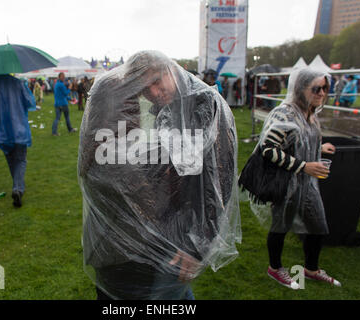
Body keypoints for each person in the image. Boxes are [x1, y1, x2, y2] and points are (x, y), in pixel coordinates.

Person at [79, 50, 241, 300]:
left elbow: (218, 180)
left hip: (163, 245)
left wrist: (198, 243)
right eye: (143, 91)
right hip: (147, 251)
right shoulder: (162, 117)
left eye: (156, 81)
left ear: (170, 68)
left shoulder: (205, 104)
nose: (153, 93)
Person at [246, 67, 341, 289]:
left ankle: (311, 269)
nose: (321, 93)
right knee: (281, 225)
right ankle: (275, 268)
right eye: (316, 88)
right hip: (286, 183)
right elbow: (268, 149)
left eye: (325, 88)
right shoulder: (285, 113)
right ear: (300, 89)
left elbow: (301, 140)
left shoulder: (310, 112)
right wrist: (304, 165)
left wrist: (320, 147)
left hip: (308, 184)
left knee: (318, 226)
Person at [0, 74, 36, 208]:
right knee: (20, 159)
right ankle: (18, 188)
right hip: (19, 127)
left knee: (11, 158)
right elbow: (29, 102)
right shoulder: (18, 83)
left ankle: (18, 186)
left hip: (1, 130)